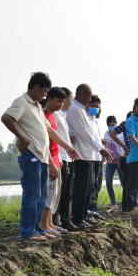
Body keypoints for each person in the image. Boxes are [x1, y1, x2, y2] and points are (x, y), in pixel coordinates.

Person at [1, 72, 80, 241]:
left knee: (42, 195)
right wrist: (22, 138)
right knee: (32, 194)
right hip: (31, 156)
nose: (45, 94)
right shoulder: (22, 101)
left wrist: (68, 147)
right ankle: (28, 232)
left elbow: (49, 130)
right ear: (35, 87)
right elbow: (6, 118)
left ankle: (37, 228)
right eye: (44, 91)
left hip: (43, 157)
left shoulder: (37, 105)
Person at [66, 84, 113, 229]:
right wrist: (100, 148)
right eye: (87, 97)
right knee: (81, 188)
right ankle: (78, 218)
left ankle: (84, 216)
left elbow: (92, 134)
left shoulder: (82, 110)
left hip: (90, 155)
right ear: (79, 94)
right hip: (82, 155)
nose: (89, 99)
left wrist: (99, 149)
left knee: (88, 188)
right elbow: (83, 133)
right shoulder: (75, 109)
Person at [38, 87, 68, 236]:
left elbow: (55, 142)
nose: (60, 105)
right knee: (49, 192)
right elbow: (45, 144)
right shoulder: (43, 115)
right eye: (58, 101)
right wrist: (51, 162)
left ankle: (50, 223)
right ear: (49, 99)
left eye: (62, 102)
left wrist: (59, 158)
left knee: (56, 193)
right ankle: (44, 224)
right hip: (48, 160)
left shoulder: (53, 116)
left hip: (56, 159)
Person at [53, 87, 76, 231]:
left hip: (67, 157)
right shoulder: (55, 114)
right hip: (60, 157)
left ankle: (62, 220)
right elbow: (53, 136)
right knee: (59, 192)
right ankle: (57, 221)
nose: (70, 103)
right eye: (70, 100)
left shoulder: (62, 115)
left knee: (67, 191)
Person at [110, 111, 133, 210]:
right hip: (126, 158)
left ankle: (128, 204)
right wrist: (123, 153)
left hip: (132, 158)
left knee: (130, 182)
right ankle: (126, 205)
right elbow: (119, 147)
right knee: (128, 182)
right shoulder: (122, 130)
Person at [87, 95, 105, 216]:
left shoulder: (95, 121)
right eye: (93, 106)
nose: (96, 109)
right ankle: (91, 209)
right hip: (89, 157)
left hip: (97, 157)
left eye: (97, 107)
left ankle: (94, 209)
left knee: (96, 185)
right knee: (91, 185)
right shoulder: (86, 119)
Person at [104, 115, 126, 211]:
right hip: (109, 162)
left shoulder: (119, 134)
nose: (111, 126)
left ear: (116, 124)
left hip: (119, 161)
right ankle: (114, 204)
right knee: (108, 182)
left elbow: (121, 147)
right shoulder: (105, 134)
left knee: (123, 183)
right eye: (109, 125)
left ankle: (126, 202)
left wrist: (121, 158)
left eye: (113, 125)